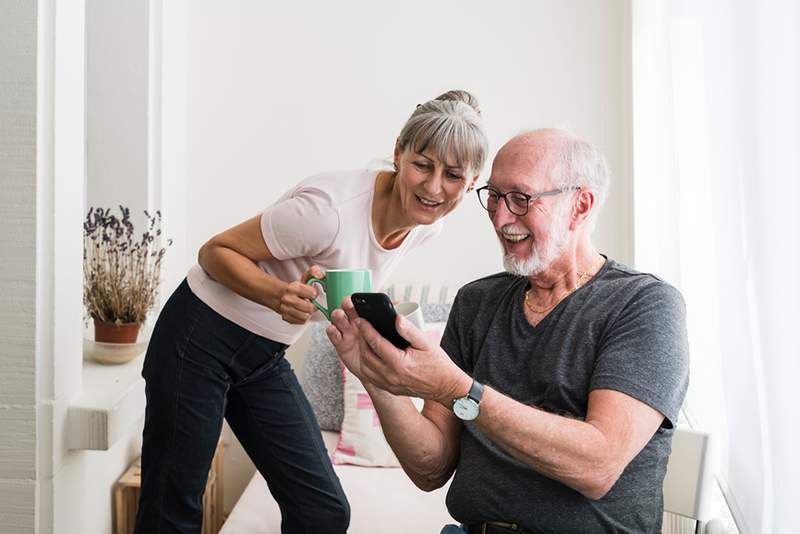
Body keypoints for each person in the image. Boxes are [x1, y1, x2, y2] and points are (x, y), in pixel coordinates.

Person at [133, 90, 489, 534]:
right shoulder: (328, 211)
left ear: (472, 181)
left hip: (261, 357)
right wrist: (276, 294)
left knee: (322, 511)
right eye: (423, 164)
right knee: (172, 513)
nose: (434, 187)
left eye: (453, 175)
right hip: (198, 336)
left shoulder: (427, 228)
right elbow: (214, 253)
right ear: (399, 152)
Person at [327, 129, 690, 533]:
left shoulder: (644, 304)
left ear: (580, 205)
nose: (500, 218)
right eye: (494, 197)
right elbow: (430, 469)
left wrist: (458, 390)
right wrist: (377, 378)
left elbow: (597, 465)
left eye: (521, 198)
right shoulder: (476, 302)